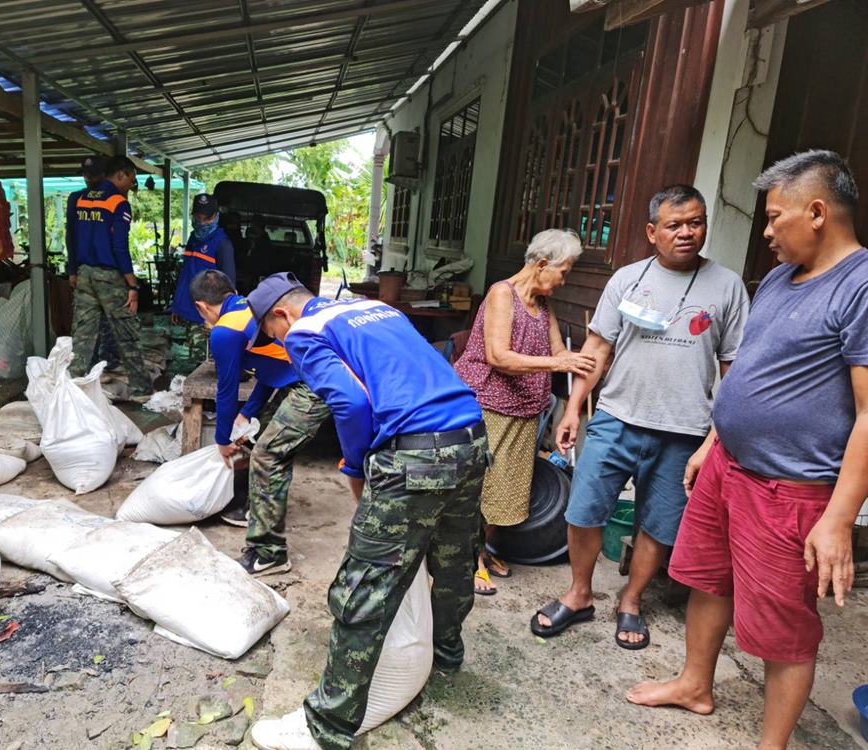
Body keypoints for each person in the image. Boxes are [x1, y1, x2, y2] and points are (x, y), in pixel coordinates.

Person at [628, 151, 868, 749]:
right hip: (727, 466)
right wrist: (714, 442)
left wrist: (839, 519)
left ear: (817, 212)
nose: (766, 231)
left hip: (789, 486)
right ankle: (695, 684)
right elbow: (748, 373)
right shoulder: (782, 279)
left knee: (785, 626)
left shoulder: (860, 287)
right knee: (708, 580)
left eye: (775, 217)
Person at [246, 273, 488, 750]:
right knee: (455, 559)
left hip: (415, 454)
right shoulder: (376, 310)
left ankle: (328, 727)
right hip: (472, 437)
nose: (279, 344)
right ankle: (445, 655)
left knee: (365, 588)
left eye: (271, 333)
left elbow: (351, 401)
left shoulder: (304, 332)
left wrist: (356, 464)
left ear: (281, 314)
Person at [532, 185, 749, 649]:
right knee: (583, 509)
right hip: (616, 417)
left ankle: (631, 600)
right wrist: (573, 408)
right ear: (652, 232)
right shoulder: (627, 279)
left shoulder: (727, 285)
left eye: (695, 222)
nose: (686, 232)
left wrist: (715, 437)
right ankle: (579, 593)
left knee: (658, 522)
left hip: (684, 428)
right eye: (674, 225)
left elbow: (732, 369)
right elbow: (597, 349)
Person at [454, 228, 594, 594]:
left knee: (507, 489)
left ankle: (482, 549)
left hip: (525, 409)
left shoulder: (543, 305)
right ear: (543, 264)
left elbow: (558, 352)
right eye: (563, 272)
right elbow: (499, 357)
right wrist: (558, 364)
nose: (564, 280)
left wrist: (578, 359)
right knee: (481, 486)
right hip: (490, 406)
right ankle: (469, 559)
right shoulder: (503, 294)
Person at [188, 269, 331, 564]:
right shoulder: (249, 308)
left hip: (312, 383)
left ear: (201, 306)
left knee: (268, 454)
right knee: (253, 436)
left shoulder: (224, 331)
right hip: (298, 377)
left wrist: (222, 439)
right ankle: (252, 505)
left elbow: (226, 389)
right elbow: (271, 368)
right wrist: (248, 413)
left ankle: (269, 553)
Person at [68, 155, 153, 399]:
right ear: (120, 175)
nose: (131, 185)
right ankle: (141, 389)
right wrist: (132, 284)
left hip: (84, 274)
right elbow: (119, 247)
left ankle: (72, 390)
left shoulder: (80, 199)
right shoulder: (118, 202)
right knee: (126, 333)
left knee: (82, 335)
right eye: (131, 179)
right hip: (108, 276)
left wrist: (72, 270)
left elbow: (71, 237)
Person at [172, 193, 237, 361]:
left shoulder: (223, 244)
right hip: (189, 311)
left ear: (216, 216)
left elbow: (229, 286)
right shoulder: (193, 239)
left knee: (205, 362)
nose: (202, 223)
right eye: (198, 218)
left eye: (207, 218)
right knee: (196, 358)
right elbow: (186, 273)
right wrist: (177, 306)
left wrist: (222, 320)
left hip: (207, 316)